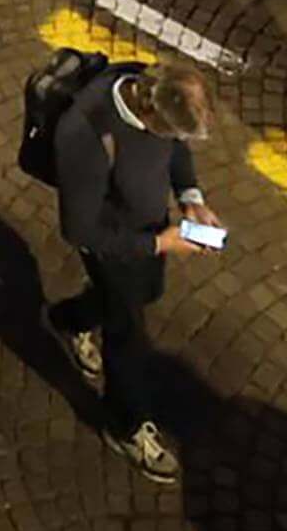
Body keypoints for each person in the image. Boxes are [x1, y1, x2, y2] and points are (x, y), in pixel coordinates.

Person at [45, 62, 218, 487]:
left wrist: (191, 198)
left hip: (148, 231)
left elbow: (175, 150)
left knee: (146, 293)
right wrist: (160, 244)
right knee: (129, 332)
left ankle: (72, 319)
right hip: (112, 245)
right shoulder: (82, 134)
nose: (176, 142)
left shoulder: (150, 84)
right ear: (150, 117)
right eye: (171, 132)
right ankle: (126, 425)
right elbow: (80, 230)